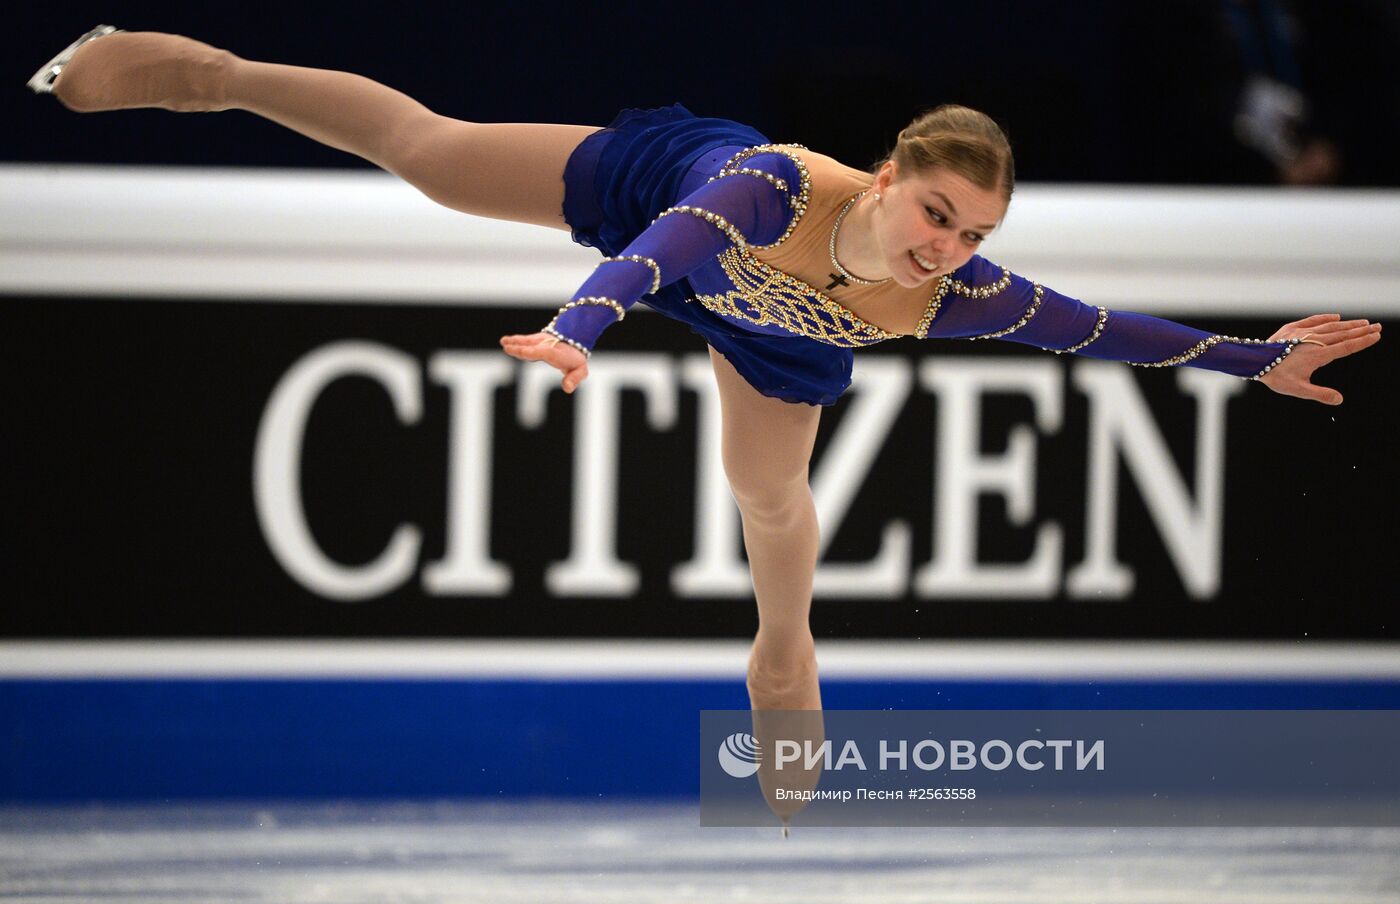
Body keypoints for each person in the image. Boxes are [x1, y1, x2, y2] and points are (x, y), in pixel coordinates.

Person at [29, 27, 1382, 727]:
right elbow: (672, 249)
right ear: (894, 175)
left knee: (770, 506)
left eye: (973, 237)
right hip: (666, 203)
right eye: (936, 218)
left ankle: (783, 650)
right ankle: (209, 73)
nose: (950, 250)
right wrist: (580, 325)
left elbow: (1105, 332)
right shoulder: (771, 182)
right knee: (426, 151)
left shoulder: (956, 297)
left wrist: (1259, 360)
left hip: (778, 339)